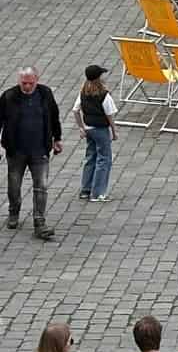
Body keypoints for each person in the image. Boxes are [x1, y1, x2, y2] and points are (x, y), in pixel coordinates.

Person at [0, 67, 61, 241]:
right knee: (14, 185)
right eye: (23, 83)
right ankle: (14, 212)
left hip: (39, 150)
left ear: (37, 79)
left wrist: (57, 139)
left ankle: (39, 222)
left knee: (41, 186)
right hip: (16, 150)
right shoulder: (9, 96)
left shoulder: (45, 94)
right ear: (19, 80)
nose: (26, 86)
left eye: (30, 83)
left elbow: (54, 116)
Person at [70, 64, 116, 203]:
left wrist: (81, 127)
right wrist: (114, 131)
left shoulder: (83, 92)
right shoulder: (104, 95)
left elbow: (75, 110)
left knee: (90, 157)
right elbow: (110, 115)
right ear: (99, 78)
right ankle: (98, 193)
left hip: (88, 129)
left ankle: (86, 189)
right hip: (101, 130)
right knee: (104, 159)